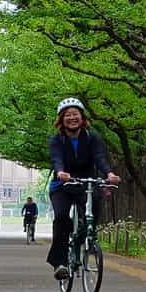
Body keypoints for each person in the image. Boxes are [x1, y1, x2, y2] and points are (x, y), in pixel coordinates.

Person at [46, 97, 120, 280]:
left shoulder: (92, 137)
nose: (72, 118)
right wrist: (61, 171)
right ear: (62, 119)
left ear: (82, 117)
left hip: (86, 182)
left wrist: (109, 174)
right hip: (62, 185)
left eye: (75, 114)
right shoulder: (57, 140)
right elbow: (57, 158)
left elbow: (100, 157)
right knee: (62, 218)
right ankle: (60, 263)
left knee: (94, 208)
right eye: (68, 115)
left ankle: (83, 239)